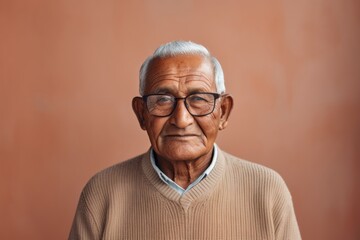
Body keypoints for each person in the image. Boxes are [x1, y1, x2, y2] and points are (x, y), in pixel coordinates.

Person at [69, 40, 301, 239]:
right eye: (162, 99)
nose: (181, 120)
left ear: (224, 112)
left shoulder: (268, 191)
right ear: (141, 114)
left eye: (199, 98)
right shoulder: (102, 194)